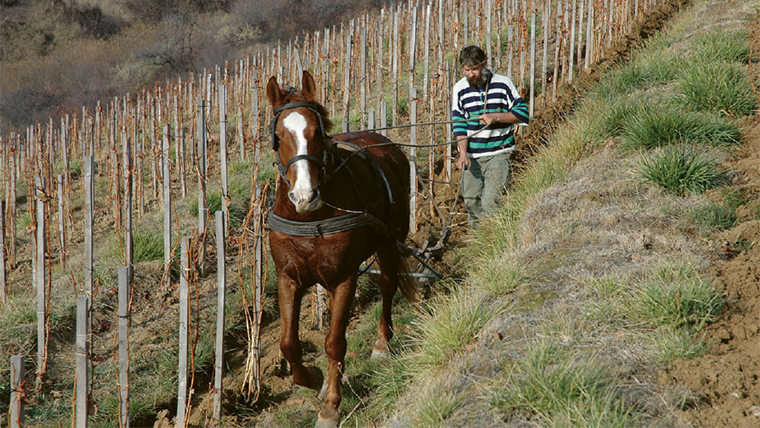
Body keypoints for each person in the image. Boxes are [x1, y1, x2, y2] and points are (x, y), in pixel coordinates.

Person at [452, 45, 530, 225]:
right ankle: (479, 245)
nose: (471, 74)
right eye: (466, 70)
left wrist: (497, 117)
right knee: (471, 202)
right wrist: (463, 153)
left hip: (498, 153)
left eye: (475, 69)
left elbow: (523, 113)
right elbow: (459, 124)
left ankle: (495, 244)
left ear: (484, 64)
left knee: (490, 204)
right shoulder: (459, 89)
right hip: (472, 156)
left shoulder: (503, 84)